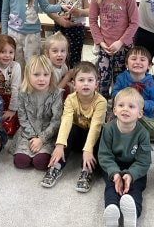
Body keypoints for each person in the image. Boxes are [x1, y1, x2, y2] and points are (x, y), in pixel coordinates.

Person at [41, 61, 107, 192]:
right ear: (74, 84)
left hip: (92, 137)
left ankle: (87, 169)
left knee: (103, 133)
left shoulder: (101, 101)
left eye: (90, 80)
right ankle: (57, 166)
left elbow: (95, 127)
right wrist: (60, 145)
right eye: (81, 80)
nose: (86, 83)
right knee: (70, 128)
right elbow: (66, 122)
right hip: (76, 138)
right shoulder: (70, 99)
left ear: (96, 84)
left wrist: (88, 150)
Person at [99, 87, 152, 227]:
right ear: (115, 110)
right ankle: (112, 210)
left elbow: (144, 160)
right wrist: (115, 173)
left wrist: (131, 174)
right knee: (111, 186)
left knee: (135, 187)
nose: (125, 109)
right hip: (113, 165)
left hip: (135, 167)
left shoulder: (143, 134)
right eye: (121, 105)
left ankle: (133, 213)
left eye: (131, 106)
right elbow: (104, 155)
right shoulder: (108, 129)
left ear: (140, 113)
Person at [89, 0, 139, 99]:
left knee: (120, 83)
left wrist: (120, 42)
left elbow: (135, 22)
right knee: (102, 81)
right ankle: (102, 108)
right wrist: (100, 42)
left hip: (123, 48)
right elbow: (92, 21)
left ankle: (118, 109)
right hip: (104, 47)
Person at [10, 55, 62, 170]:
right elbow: (22, 117)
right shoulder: (23, 92)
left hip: (48, 134)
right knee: (21, 162)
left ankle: (42, 151)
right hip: (27, 133)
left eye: (46, 75)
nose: (41, 79)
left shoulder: (56, 94)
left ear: (51, 76)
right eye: (36, 75)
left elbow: (56, 121)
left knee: (40, 162)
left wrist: (41, 139)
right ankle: (27, 147)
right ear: (28, 75)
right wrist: (32, 137)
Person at [111, 46, 154, 144]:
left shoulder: (151, 83)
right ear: (126, 64)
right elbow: (114, 93)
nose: (137, 62)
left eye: (142, 60)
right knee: (109, 131)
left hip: (145, 116)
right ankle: (129, 132)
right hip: (125, 113)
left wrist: (142, 104)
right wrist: (126, 100)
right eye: (133, 59)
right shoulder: (122, 78)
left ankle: (137, 135)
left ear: (149, 65)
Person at [0, 34, 22, 137]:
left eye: (11, 52)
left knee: (9, 128)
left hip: (11, 101)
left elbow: (15, 89)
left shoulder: (16, 66)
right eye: (3, 52)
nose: (7, 55)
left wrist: (12, 110)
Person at [44, 31, 73, 99]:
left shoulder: (64, 66)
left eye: (62, 51)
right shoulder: (47, 69)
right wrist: (68, 76)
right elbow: (54, 93)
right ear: (47, 53)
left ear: (67, 53)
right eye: (55, 51)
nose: (59, 54)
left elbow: (62, 82)